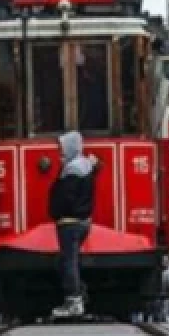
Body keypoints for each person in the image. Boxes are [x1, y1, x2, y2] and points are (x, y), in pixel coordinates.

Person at [48, 131, 98, 318]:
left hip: (69, 222)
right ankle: (79, 294)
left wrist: (57, 212)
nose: (60, 152)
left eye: (62, 148)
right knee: (68, 260)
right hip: (81, 221)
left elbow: (65, 197)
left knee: (69, 262)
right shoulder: (84, 166)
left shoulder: (72, 171)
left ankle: (74, 299)